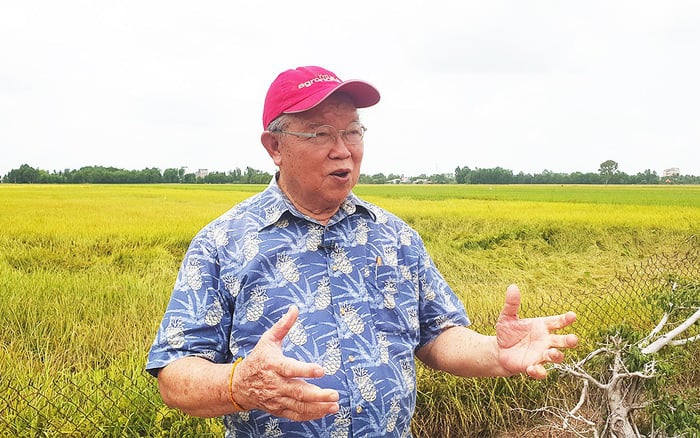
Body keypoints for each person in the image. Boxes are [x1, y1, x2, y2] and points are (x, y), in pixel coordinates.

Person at [146, 65, 578, 437]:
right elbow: (175, 373)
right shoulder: (223, 243)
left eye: (353, 131)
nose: (343, 150)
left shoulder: (395, 237)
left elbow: (437, 335)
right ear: (275, 147)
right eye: (320, 133)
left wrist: (495, 353)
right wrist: (240, 384)